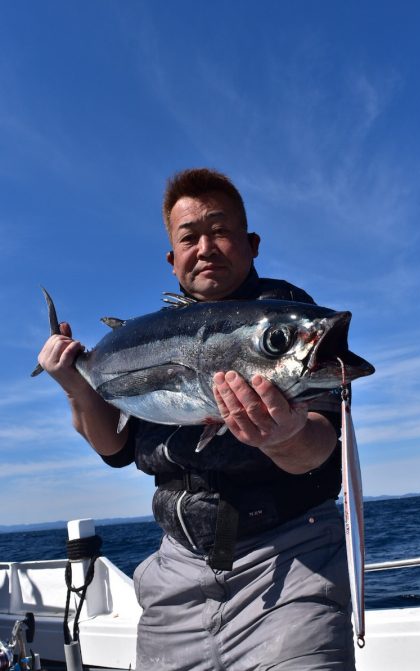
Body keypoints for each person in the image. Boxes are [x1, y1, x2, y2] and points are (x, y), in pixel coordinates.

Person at [38, 168, 355, 670]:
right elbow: (115, 449)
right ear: (172, 260)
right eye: (190, 237)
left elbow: (321, 447)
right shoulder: (143, 337)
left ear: (251, 244)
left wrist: (285, 435)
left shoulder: (288, 317)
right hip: (175, 576)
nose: (205, 247)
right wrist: (77, 385)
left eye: (221, 230)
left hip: (291, 561)